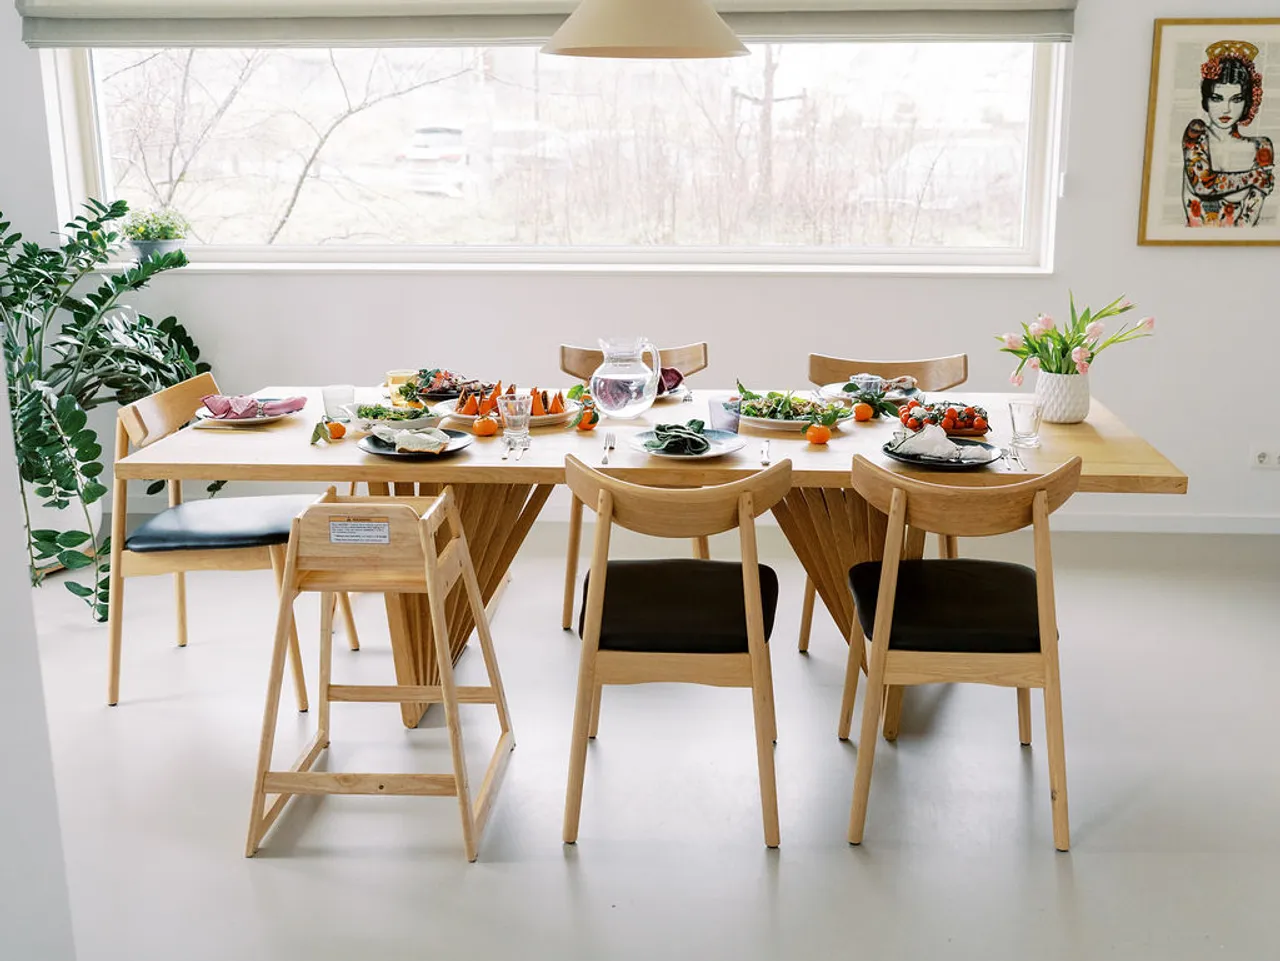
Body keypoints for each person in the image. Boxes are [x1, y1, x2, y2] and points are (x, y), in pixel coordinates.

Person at [1182, 40, 1275, 227]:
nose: (1226, 109)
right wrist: (1253, 177)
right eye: (1217, 99)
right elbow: (1203, 185)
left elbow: (1249, 218)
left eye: (1236, 99)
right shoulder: (1196, 131)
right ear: (1206, 100)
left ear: (1248, 101)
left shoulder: (1261, 147)